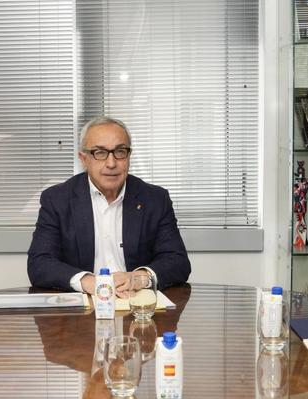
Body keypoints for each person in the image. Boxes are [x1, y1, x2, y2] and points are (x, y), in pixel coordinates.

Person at [27, 116, 190, 297]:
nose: (111, 163)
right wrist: (89, 282)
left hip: (138, 305)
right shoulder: (57, 199)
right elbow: (39, 263)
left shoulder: (155, 199)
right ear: (84, 158)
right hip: (84, 305)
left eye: (120, 151)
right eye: (100, 152)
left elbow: (178, 261)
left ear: (129, 155)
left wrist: (141, 277)